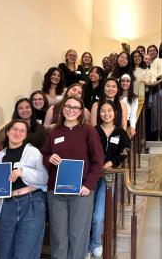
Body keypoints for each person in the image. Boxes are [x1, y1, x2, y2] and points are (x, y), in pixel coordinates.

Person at [41, 96, 104, 259]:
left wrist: (88, 185)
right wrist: (49, 159)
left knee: (78, 237)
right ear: (62, 109)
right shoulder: (54, 132)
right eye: (68, 106)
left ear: (81, 111)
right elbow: (44, 154)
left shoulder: (88, 130)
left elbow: (98, 161)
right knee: (58, 237)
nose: (71, 110)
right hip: (56, 192)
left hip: (81, 192)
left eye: (75, 107)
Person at [0, 119, 48, 259]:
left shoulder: (33, 152)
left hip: (32, 204)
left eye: (22, 131)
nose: (17, 133)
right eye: (14, 129)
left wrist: (22, 171)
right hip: (7, 205)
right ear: (7, 132)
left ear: (26, 135)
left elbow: (44, 178)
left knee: (25, 253)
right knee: (4, 252)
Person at [87, 100, 130, 258]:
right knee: (86, 213)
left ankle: (96, 242)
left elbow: (125, 150)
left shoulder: (121, 132)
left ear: (115, 113)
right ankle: (86, 245)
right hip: (90, 175)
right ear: (99, 114)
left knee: (98, 216)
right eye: (103, 111)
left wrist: (112, 162)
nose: (106, 113)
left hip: (108, 177)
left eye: (109, 111)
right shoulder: (93, 130)